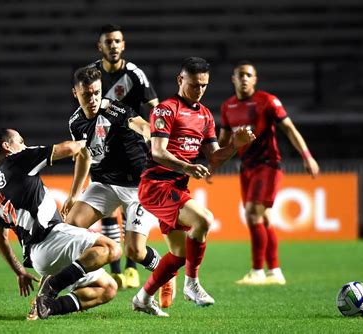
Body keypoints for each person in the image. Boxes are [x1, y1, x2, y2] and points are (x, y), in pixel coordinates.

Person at [132, 57, 256, 317]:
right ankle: (192, 284)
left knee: (178, 254)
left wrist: (235, 144)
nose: (199, 90)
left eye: (204, 85)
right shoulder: (166, 110)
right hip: (156, 185)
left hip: (177, 186)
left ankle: (142, 298)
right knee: (204, 220)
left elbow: (214, 159)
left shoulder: (205, 115)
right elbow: (157, 152)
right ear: (180, 80)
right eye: (194, 84)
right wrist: (188, 167)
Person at [61, 66, 174, 305]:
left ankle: (166, 273)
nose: (92, 99)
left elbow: (140, 124)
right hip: (104, 184)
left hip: (137, 187)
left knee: (135, 252)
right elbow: (83, 156)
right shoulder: (75, 122)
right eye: (86, 94)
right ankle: (85, 279)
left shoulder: (114, 108)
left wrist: (151, 133)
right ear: (75, 93)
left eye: (96, 93)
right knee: (69, 227)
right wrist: (74, 195)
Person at [0, 128, 121, 320]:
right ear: (7, 146)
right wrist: (87, 143)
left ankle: (45, 306)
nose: (24, 145)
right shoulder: (19, 159)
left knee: (107, 288)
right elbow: (69, 148)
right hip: (52, 238)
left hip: (39, 259)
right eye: (21, 141)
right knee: (111, 249)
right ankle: (52, 286)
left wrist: (20, 272)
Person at [218, 61, 320, 286]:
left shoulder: (267, 101)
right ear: (233, 79)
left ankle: (257, 271)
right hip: (246, 167)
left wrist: (307, 156)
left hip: (268, 164)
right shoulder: (227, 107)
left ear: (255, 79)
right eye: (240, 75)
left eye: (249, 75)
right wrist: (212, 165)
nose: (244, 78)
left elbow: (290, 129)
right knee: (262, 218)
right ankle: (275, 272)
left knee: (253, 214)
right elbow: (223, 142)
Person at [90, 23, 159, 289]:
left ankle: (131, 268)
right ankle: (116, 270)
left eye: (117, 41)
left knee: (130, 205)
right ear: (100, 46)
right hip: (101, 146)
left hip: (132, 149)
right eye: (108, 42)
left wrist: (154, 135)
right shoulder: (92, 74)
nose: (114, 46)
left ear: (124, 45)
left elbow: (155, 107)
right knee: (107, 210)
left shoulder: (135, 74)